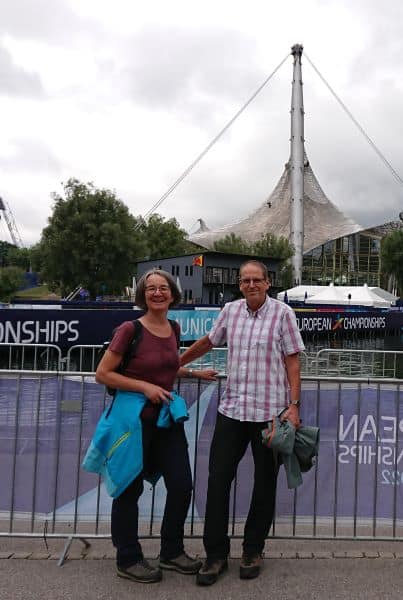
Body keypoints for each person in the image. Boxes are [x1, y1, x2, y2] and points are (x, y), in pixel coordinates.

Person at [179, 260, 305, 586]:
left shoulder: (282, 314)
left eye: (256, 280)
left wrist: (293, 405)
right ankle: (216, 555)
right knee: (218, 481)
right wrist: (178, 362)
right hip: (232, 410)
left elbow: (293, 360)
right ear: (239, 284)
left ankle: (253, 550)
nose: (251, 285)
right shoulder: (230, 311)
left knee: (264, 484)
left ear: (267, 283)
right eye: (245, 280)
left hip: (270, 413)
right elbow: (209, 341)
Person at [96, 269, 217, 584]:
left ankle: (171, 551)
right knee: (129, 489)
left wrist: (192, 374)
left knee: (181, 485)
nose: (158, 293)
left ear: (173, 294)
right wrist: (144, 388)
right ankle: (128, 558)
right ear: (143, 295)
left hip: (165, 420)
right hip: (133, 422)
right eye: (150, 288)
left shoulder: (174, 328)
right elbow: (103, 374)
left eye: (163, 288)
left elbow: (167, 366)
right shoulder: (129, 329)